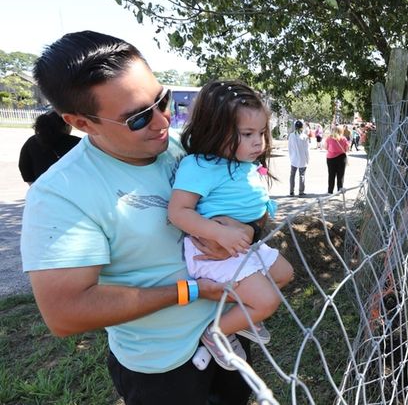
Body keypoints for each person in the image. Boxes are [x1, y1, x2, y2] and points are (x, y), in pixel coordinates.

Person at [22, 31, 261, 405]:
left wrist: (248, 228)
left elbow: (239, 203)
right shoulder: (60, 193)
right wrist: (191, 291)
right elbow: (65, 313)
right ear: (81, 123)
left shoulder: (182, 148)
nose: (162, 121)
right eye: (137, 118)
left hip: (230, 333)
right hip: (164, 368)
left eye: (161, 100)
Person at [168, 80, 294, 370]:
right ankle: (214, 333)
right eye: (248, 134)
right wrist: (219, 233)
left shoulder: (243, 164)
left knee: (284, 273)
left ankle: (241, 317)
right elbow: (178, 211)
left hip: (242, 245)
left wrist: (247, 229)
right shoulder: (200, 166)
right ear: (215, 130)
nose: (258, 142)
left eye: (262, 133)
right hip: (212, 251)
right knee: (267, 302)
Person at [18, 110, 81, 184]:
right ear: (66, 125)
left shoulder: (31, 142)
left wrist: (36, 187)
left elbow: (24, 168)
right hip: (72, 189)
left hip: (43, 189)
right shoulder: (77, 143)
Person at [287, 119, 310, 196]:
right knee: (302, 175)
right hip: (302, 158)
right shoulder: (304, 137)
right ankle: (301, 191)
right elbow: (307, 149)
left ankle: (291, 191)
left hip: (294, 158)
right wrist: (308, 159)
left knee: (292, 175)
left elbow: (289, 147)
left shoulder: (291, 135)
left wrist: (291, 157)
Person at [325, 125, 350, 194]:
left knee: (331, 175)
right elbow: (347, 149)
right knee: (340, 175)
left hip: (331, 158)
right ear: (341, 131)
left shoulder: (329, 138)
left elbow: (325, 147)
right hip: (341, 158)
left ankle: (330, 191)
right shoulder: (344, 139)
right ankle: (339, 190)